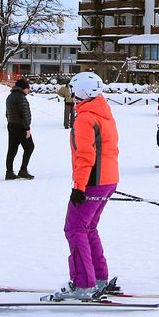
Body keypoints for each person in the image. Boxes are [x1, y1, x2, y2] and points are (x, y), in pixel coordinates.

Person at [45, 71, 121, 301]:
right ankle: (98, 278)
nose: (73, 97)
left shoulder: (86, 118)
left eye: (75, 92)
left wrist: (79, 186)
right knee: (88, 229)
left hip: (92, 182)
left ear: (83, 92)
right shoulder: (104, 112)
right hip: (107, 179)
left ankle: (83, 283)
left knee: (75, 229)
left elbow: (85, 155)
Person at [5, 78, 35, 180]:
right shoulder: (21, 98)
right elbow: (25, 114)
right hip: (20, 126)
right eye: (28, 88)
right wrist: (27, 128)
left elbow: (7, 113)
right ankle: (23, 170)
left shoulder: (10, 96)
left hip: (11, 125)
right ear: (23, 88)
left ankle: (9, 172)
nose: (28, 90)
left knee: (12, 149)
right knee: (29, 147)